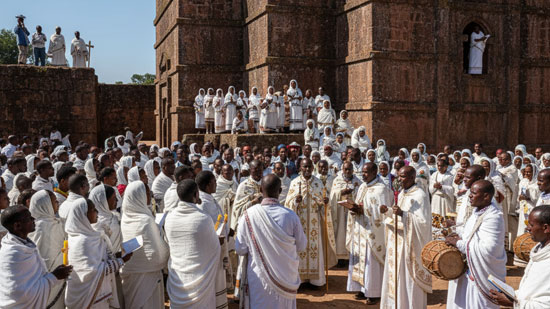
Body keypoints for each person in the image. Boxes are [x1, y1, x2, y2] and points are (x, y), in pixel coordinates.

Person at [235, 174, 307, 308]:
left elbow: (240, 249)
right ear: (280, 191)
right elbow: (302, 246)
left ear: (261, 190)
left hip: (259, 278)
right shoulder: (291, 216)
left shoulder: (248, 215)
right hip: (286, 277)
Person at [446, 180, 506, 309]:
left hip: (483, 273)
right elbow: (470, 233)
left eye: (473, 193)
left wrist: (459, 243)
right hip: (471, 269)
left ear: (486, 196)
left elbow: (489, 249)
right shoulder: (478, 211)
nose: (470, 196)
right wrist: (457, 233)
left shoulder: (494, 217)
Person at [380, 166, 432, 308]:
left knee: (407, 279)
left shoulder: (420, 195)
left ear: (412, 177)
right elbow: (398, 212)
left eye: (402, 176)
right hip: (397, 241)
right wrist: (389, 211)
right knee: (396, 278)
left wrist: (403, 214)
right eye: (398, 176)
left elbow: (424, 223)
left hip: (409, 246)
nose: (399, 179)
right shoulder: (403, 192)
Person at [65, 198, 132, 308]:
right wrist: (122, 261)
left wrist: (116, 256)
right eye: (93, 209)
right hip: (89, 296)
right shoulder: (82, 241)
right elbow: (93, 271)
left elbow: (99, 259)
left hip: (98, 295)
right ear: (83, 215)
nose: (97, 212)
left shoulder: (91, 236)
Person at [0, 205, 72, 307]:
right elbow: (20, 294)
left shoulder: (25, 245)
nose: (33, 219)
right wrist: (54, 276)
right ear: (17, 226)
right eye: (29, 218)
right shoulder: (13, 253)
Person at [165, 179, 221, 308]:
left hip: (178, 277)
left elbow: (170, 243)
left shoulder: (170, 218)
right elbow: (215, 250)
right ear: (196, 195)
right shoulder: (203, 219)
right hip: (200, 280)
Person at [345, 163, 394, 304]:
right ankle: (362, 289)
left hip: (373, 233)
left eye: (366, 172)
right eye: (362, 172)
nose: (363, 175)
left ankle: (373, 292)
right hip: (360, 229)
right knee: (361, 261)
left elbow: (383, 214)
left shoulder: (381, 190)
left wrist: (363, 211)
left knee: (371, 261)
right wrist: (353, 208)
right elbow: (359, 204)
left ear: (374, 172)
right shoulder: (362, 187)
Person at [285, 158, 337, 288]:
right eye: (304, 167)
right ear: (300, 168)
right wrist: (295, 201)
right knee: (299, 250)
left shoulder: (318, 183)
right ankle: (301, 281)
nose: (307, 169)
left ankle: (315, 281)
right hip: (299, 224)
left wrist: (325, 203)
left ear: (313, 168)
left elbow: (324, 206)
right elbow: (287, 205)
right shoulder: (294, 183)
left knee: (315, 250)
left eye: (309, 167)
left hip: (315, 225)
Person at [120, 181, 169, 309]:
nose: (149, 196)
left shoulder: (123, 218)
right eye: (146, 193)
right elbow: (157, 252)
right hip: (147, 274)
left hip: (130, 273)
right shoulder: (146, 220)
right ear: (138, 196)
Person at [490, 205, 550, 308]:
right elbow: (530, 290)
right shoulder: (539, 251)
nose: (527, 228)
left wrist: (513, 303)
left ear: (545, 228)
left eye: (531, 225)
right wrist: (512, 295)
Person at [26, 190, 66, 309]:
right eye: (54, 201)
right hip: (47, 274)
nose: (57, 203)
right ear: (45, 205)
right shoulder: (41, 226)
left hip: (58, 272)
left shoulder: (55, 222)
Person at [196, 171, 229, 309]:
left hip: (219, 246)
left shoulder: (210, 198)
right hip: (211, 249)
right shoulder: (202, 204)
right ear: (209, 184)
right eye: (214, 181)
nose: (216, 184)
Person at [329, 162, 362, 262]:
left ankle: (351, 257)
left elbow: (360, 195)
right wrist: (341, 192)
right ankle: (340, 258)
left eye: (350, 169)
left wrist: (353, 193)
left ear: (353, 170)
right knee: (340, 233)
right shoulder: (337, 180)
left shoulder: (357, 181)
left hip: (351, 212)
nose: (348, 171)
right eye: (346, 169)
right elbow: (332, 195)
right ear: (342, 169)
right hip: (340, 213)